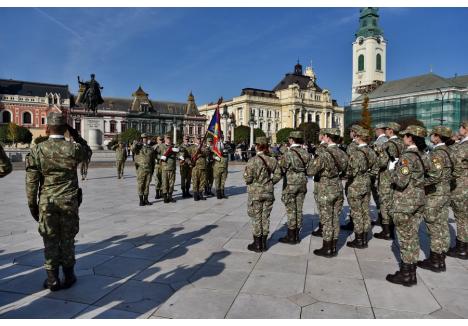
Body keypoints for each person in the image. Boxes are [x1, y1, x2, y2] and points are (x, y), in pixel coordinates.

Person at [25, 112, 86, 291]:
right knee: (67, 238)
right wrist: (76, 136)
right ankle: (68, 276)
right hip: (69, 201)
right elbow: (87, 151)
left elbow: (31, 182)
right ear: (65, 129)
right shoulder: (74, 149)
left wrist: (32, 205)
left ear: (46, 129)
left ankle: (52, 279)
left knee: (50, 239)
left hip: (47, 202)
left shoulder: (37, 150)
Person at [386, 125, 427, 286]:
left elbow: (400, 181)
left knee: (405, 238)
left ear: (410, 138)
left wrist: (391, 171)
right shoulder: (423, 155)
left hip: (405, 202)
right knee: (413, 236)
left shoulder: (407, 157)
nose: (402, 139)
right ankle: (411, 273)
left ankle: (406, 274)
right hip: (419, 198)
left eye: (404, 136)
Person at [418, 126, 454, 272]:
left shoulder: (437, 154)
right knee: (441, 225)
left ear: (438, 136)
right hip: (445, 192)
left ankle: (435, 260)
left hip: (435, 194)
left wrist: (419, 183)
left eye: (433, 134)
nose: (431, 136)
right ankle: (440, 256)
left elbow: (435, 175)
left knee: (433, 227)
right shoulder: (449, 151)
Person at [309, 128, 348, 257]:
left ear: (327, 137)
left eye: (324, 136)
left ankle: (327, 247)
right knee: (335, 218)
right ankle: (334, 246)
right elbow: (347, 170)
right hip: (337, 187)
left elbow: (311, 171)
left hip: (326, 188)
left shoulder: (324, 154)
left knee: (326, 219)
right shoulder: (343, 153)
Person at [244, 137, 282, 252]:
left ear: (257, 146)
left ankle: (257, 244)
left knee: (256, 217)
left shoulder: (252, 160)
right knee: (265, 217)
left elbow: (247, 178)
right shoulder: (272, 160)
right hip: (268, 192)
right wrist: (270, 182)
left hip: (255, 193)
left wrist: (254, 182)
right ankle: (264, 243)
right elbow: (278, 174)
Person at [278, 131, 311, 244]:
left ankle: (291, 236)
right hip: (302, 182)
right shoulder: (306, 153)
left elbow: (282, 168)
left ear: (291, 140)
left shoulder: (288, 153)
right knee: (299, 208)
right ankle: (297, 233)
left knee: (291, 209)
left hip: (291, 183)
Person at [346, 126, 376, 249]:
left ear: (358, 137)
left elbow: (350, 171)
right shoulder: (371, 151)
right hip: (367, 183)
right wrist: (368, 175)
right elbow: (376, 168)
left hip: (356, 184)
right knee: (365, 210)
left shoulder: (357, 153)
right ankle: (364, 237)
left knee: (357, 212)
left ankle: (359, 239)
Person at [373, 122, 405, 240]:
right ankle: (392, 228)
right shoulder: (402, 143)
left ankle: (387, 231)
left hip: (386, 176)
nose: (385, 131)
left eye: (387, 129)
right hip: (398, 175)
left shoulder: (388, 144)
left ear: (391, 131)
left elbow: (382, 162)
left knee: (385, 203)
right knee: (393, 201)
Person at [447, 120, 468, 259]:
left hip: (461, 185)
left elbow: (454, 160)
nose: (459, 129)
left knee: (461, 217)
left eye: (461, 127)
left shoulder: (464, 146)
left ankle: (462, 247)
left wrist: (451, 144)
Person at [341, 124, 361, 231]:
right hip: (363, 178)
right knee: (361, 205)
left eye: (351, 131)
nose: (350, 133)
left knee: (353, 202)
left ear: (354, 133)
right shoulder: (365, 145)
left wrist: (345, 173)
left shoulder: (353, 146)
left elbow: (350, 162)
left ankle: (353, 224)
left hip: (354, 178)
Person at [311, 129, 329, 237]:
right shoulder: (334, 148)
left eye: (319, 135)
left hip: (320, 180)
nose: (318, 136)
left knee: (321, 204)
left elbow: (316, 166)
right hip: (331, 181)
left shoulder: (321, 148)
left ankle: (323, 227)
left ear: (323, 136)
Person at [370, 123, 388, 224]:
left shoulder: (379, 142)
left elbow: (376, 159)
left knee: (378, 197)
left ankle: (382, 219)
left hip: (378, 174)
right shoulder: (388, 140)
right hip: (387, 173)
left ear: (378, 130)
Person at [132, 133, 155, 206]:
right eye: (143, 138)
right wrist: (135, 143)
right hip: (141, 169)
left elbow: (152, 160)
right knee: (141, 184)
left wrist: (153, 170)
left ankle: (146, 199)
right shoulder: (138, 147)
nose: (144, 139)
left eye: (145, 138)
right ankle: (141, 200)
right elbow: (133, 149)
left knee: (147, 184)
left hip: (149, 169)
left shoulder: (150, 148)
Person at [159, 134, 180, 203]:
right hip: (165, 167)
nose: (169, 140)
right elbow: (155, 154)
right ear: (164, 139)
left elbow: (178, 154)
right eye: (167, 138)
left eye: (170, 138)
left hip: (172, 168)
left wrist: (178, 151)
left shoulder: (173, 146)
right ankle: (165, 197)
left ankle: (170, 196)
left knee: (171, 183)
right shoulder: (161, 146)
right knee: (165, 183)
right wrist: (160, 157)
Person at [191, 136, 209, 201]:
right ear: (195, 140)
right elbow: (188, 155)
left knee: (202, 181)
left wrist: (202, 150)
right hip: (195, 167)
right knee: (195, 181)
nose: (199, 140)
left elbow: (207, 153)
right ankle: (195, 195)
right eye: (198, 139)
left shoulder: (204, 147)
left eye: (200, 139)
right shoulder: (192, 147)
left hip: (203, 167)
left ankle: (201, 194)